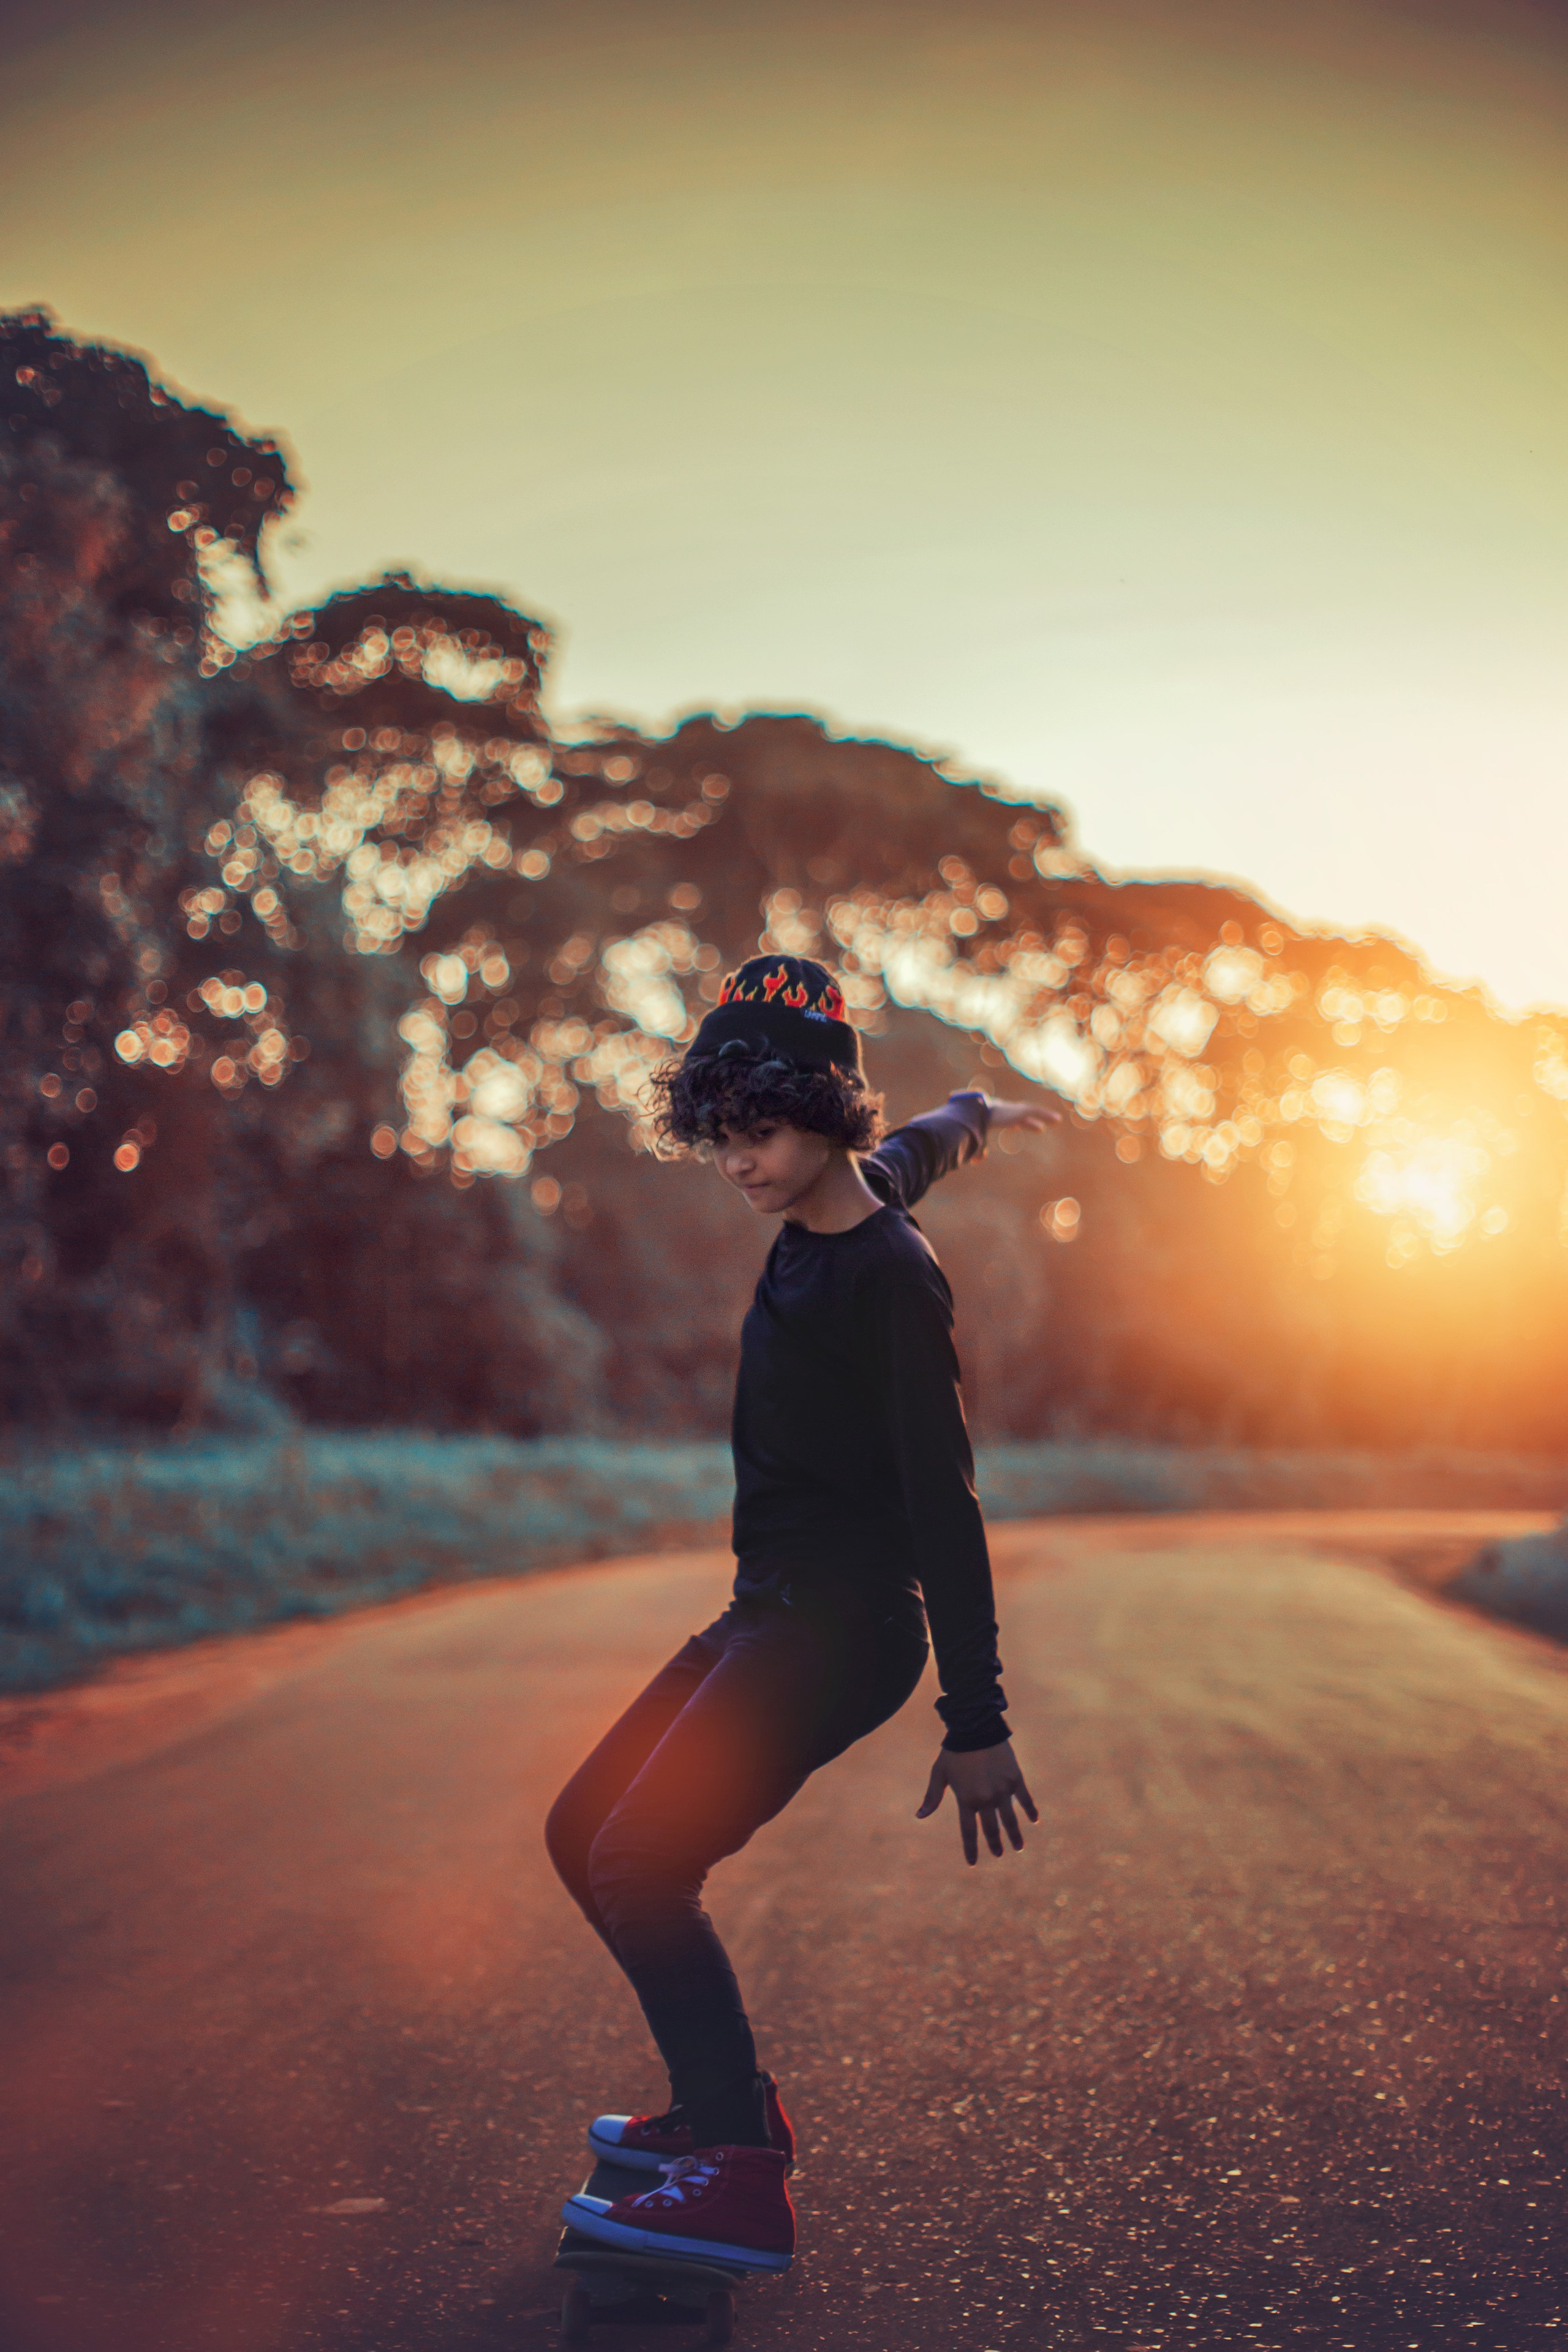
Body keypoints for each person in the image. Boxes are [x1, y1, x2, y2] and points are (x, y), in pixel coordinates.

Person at [548, 953, 1052, 2272]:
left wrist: (977, 1717)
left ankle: (736, 2173)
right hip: (764, 1606)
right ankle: (723, 2111)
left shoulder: (886, 1277)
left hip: (840, 1631)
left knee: (640, 1867)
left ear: (825, 1112)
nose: (734, 1163)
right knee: (579, 1832)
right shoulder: (850, 1190)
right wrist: (978, 1111)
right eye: (716, 1138)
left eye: (755, 1133)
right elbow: (928, 1145)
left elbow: (944, 1509)